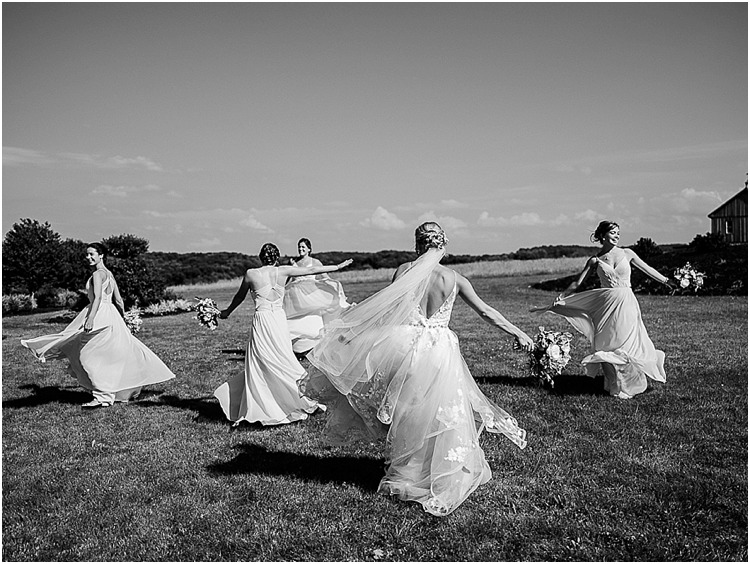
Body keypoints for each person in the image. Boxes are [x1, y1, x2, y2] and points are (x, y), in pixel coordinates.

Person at [300, 222, 533, 517]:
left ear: (417, 244)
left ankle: (406, 474)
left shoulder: (403, 270)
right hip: (437, 350)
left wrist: (354, 332)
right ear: (443, 245)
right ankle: (432, 471)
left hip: (401, 346)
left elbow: (387, 308)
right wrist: (517, 332)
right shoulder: (453, 278)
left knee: (406, 410)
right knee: (436, 410)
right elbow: (486, 312)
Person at [213, 242, 352, 426]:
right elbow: (313, 271)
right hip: (278, 320)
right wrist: (338, 266)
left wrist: (226, 312)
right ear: (276, 257)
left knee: (260, 359)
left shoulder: (251, 274)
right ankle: (294, 396)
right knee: (282, 357)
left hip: (262, 320)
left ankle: (265, 402)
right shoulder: (284, 271)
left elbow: (239, 297)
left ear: (261, 257)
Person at [21, 242, 176, 407]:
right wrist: (123, 319)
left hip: (100, 314)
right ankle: (109, 392)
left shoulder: (97, 274)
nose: (87, 257)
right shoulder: (109, 274)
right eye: (86, 254)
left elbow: (98, 299)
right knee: (108, 354)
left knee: (88, 354)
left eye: (91, 254)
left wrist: (91, 317)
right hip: (111, 316)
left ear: (101, 255)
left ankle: (102, 397)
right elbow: (119, 301)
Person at [532, 220, 676, 399]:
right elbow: (577, 283)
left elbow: (647, 269)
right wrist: (561, 297)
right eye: (613, 232)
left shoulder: (628, 253)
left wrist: (665, 281)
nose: (617, 236)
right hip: (605, 307)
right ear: (602, 235)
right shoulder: (595, 260)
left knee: (626, 343)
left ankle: (628, 385)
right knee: (604, 344)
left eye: (618, 233)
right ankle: (614, 384)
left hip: (626, 303)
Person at [283, 237, 350, 355]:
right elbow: (289, 280)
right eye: (299, 247)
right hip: (296, 298)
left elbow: (325, 277)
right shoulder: (293, 262)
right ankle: (298, 348)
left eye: (303, 247)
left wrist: (335, 286)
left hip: (310, 296)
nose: (300, 249)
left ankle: (311, 347)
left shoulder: (315, 262)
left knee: (313, 321)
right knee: (296, 321)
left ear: (309, 249)